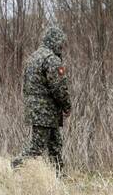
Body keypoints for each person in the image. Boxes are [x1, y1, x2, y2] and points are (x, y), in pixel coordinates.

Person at [12, 24, 71, 174]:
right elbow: (59, 87)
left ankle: (58, 175)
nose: (61, 47)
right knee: (36, 147)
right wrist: (66, 105)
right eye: (60, 43)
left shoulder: (33, 57)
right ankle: (14, 167)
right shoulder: (51, 60)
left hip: (36, 110)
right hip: (46, 112)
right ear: (54, 41)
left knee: (55, 144)